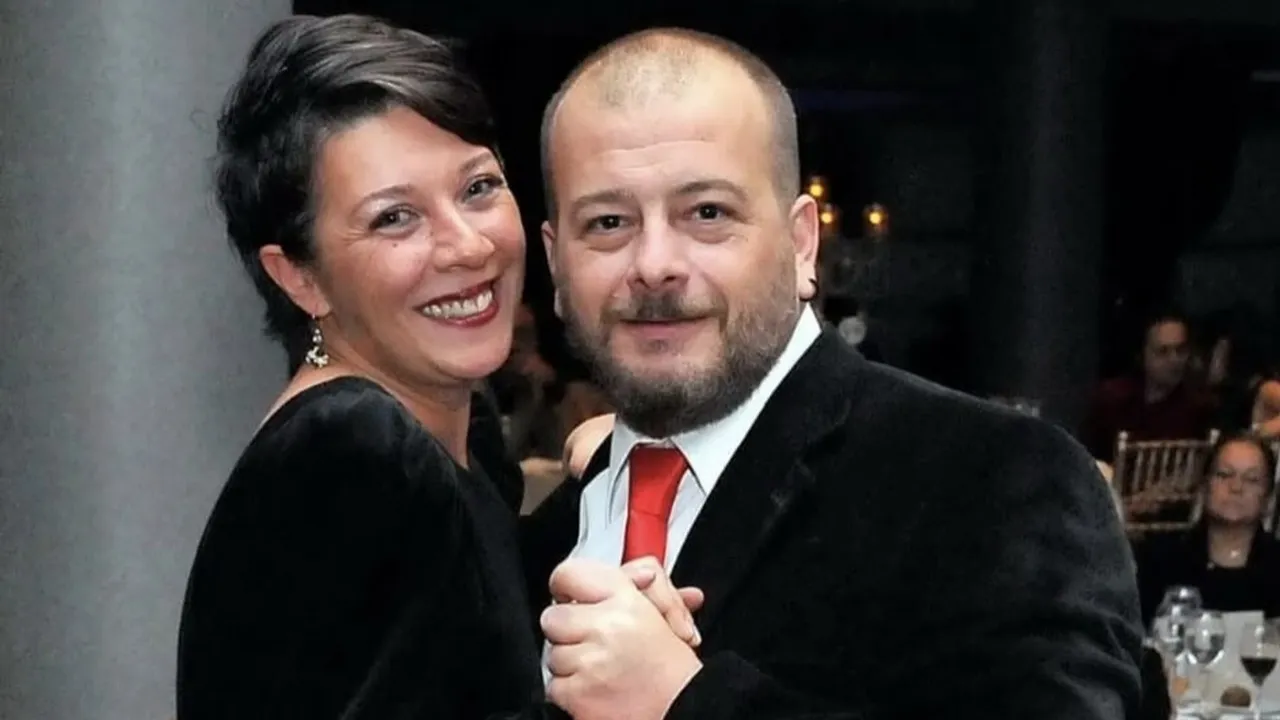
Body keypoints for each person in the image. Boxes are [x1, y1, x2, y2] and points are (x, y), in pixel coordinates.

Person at [525, 27, 1143, 720]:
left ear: (801, 244)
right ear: (555, 264)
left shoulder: (991, 480)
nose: (654, 265)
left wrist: (690, 703)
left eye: (707, 213)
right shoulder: (543, 535)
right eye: (608, 222)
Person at [177, 15, 699, 719]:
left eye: (478, 188)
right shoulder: (355, 448)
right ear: (300, 277)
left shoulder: (450, 440)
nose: (467, 245)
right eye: (395, 218)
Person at [1133, 433, 1280, 624]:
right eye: (1224, 475)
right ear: (1204, 485)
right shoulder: (1158, 559)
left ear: (1268, 496)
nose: (1236, 487)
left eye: (1252, 479)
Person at [1080, 311, 1216, 461]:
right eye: (1162, 352)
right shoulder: (1111, 400)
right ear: (1142, 355)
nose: (1174, 360)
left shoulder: (1199, 407)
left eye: (1180, 350)